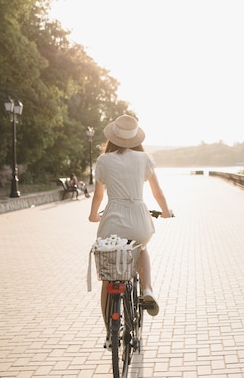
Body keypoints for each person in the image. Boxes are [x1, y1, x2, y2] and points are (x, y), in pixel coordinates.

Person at [88, 114, 173, 344]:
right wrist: (165, 211)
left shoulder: (104, 161)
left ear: (112, 137)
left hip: (112, 221)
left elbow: (98, 195)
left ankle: (110, 334)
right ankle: (147, 289)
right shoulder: (144, 159)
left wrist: (93, 215)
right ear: (135, 138)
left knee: (109, 277)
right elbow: (158, 192)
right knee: (141, 247)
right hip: (138, 219)